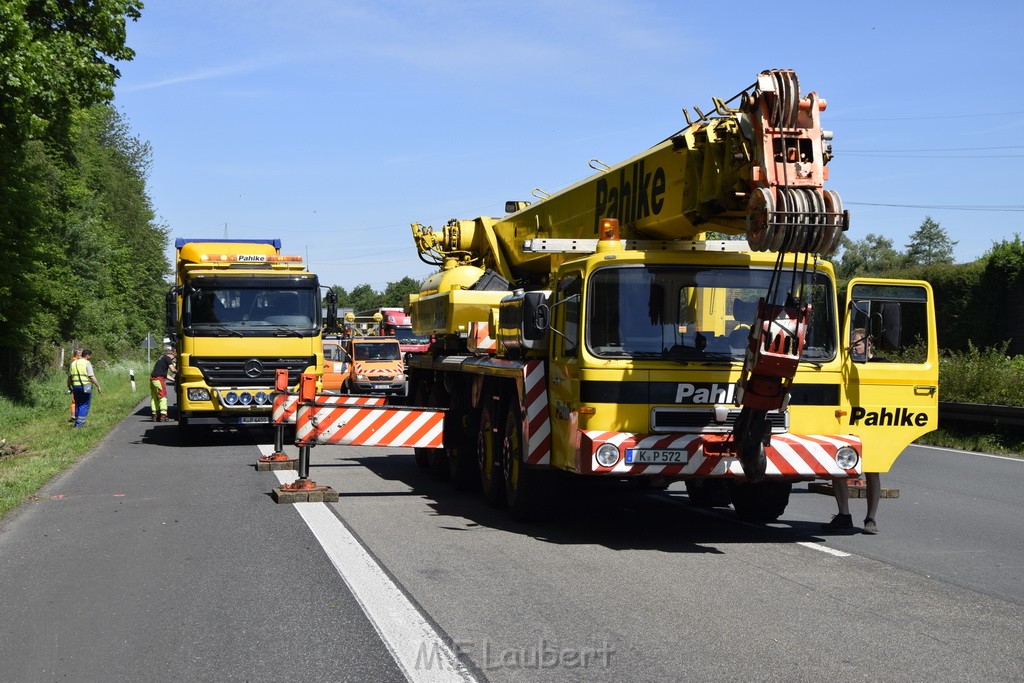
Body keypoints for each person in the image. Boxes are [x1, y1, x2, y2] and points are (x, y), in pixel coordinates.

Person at [822, 328, 888, 534]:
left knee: (872, 471)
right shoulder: (845, 365)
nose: (853, 349)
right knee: (838, 467)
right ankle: (844, 515)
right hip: (849, 422)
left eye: (856, 344)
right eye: (849, 346)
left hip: (873, 423)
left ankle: (871, 519)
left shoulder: (884, 366)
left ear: (868, 344)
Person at [68, 349, 101, 428]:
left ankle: (76, 422)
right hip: (86, 385)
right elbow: (91, 376)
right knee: (85, 404)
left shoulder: (73, 363)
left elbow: (69, 377)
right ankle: (80, 424)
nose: (91, 357)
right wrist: (98, 386)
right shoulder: (87, 363)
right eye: (90, 355)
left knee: (78, 403)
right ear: (87, 355)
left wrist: (69, 386)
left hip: (75, 386)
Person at [150, 348, 177, 422]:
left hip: (153, 380)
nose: (173, 359)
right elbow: (173, 370)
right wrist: (181, 372)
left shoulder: (160, 361)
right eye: (174, 357)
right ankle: (163, 416)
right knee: (163, 397)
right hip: (159, 380)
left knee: (154, 397)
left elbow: (165, 375)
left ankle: (154, 415)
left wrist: (174, 380)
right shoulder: (167, 358)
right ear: (171, 354)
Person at [67, 347, 83, 422]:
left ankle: (76, 415)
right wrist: (69, 385)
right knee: (75, 400)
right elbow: (70, 376)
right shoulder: (75, 362)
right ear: (76, 354)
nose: (80, 354)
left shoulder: (77, 361)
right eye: (79, 353)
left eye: (81, 353)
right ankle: (74, 415)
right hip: (77, 384)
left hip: (79, 384)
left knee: (78, 400)